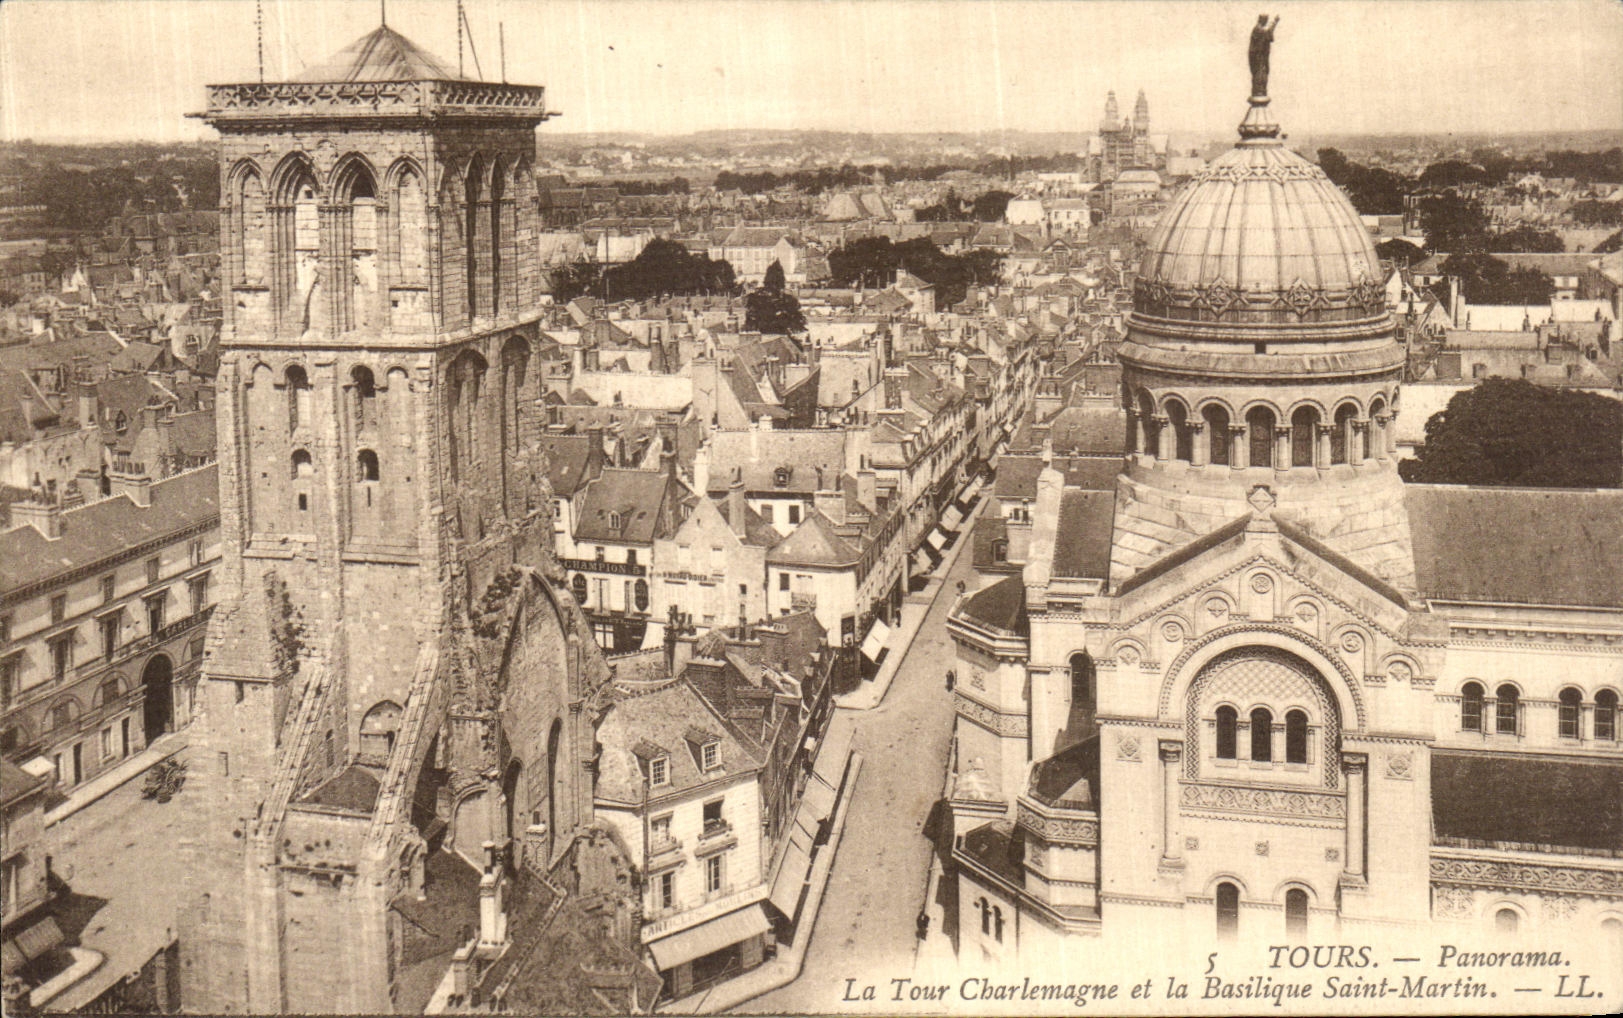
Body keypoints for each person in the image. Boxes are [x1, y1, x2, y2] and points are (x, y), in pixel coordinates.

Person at [1248, 14, 1280, 98]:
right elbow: (1267, 34)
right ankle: (1259, 91)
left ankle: (1260, 90)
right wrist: (1274, 22)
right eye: (1266, 20)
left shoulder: (1258, 29)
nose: (1266, 22)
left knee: (1261, 75)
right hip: (1258, 59)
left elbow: (1267, 34)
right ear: (1262, 20)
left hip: (1260, 58)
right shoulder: (1258, 29)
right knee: (1259, 75)